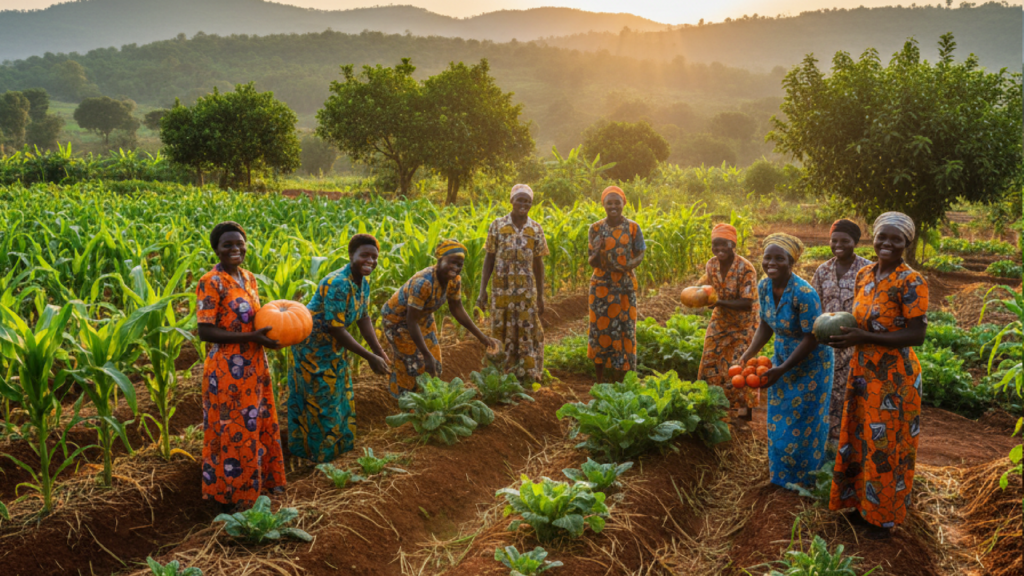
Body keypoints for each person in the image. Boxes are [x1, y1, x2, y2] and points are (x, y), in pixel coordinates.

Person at [828, 212, 929, 541]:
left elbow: (916, 335)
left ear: (906, 243)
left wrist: (864, 339)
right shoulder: (864, 274)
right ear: (873, 239)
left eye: (895, 239)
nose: (887, 243)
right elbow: (860, 320)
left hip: (893, 377)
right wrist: (844, 333)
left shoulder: (911, 281)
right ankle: (861, 506)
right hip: (862, 372)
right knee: (861, 440)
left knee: (885, 445)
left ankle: (884, 518)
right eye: (881, 237)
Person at [196, 221, 285, 511]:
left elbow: (255, 318)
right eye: (228, 245)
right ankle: (236, 497)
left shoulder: (248, 278)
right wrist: (251, 337)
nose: (235, 249)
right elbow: (206, 331)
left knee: (257, 424)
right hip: (228, 371)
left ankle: (257, 487)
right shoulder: (211, 281)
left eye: (239, 244)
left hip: (255, 365)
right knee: (235, 431)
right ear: (217, 249)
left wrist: (276, 333)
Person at [286, 234, 392, 463]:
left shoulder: (363, 282)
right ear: (351, 255)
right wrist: (369, 357)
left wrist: (379, 352)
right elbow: (337, 328)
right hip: (312, 349)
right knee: (321, 399)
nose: (370, 261)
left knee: (338, 394)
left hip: (333, 347)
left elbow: (363, 318)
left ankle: (338, 448)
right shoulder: (338, 283)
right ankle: (316, 454)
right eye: (364, 255)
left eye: (374, 257)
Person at [740, 233, 834, 490]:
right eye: (767, 257)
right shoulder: (764, 286)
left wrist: (782, 368)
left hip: (811, 363)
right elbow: (766, 325)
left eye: (779, 258)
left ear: (791, 262)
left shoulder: (804, 293)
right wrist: (750, 352)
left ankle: (806, 481)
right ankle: (780, 477)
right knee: (779, 418)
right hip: (782, 358)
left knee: (805, 422)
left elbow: (812, 337)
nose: (771, 263)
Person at [380, 239, 500, 396]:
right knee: (412, 364)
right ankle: (403, 401)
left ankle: (426, 399)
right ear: (440, 260)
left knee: (434, 362)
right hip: (397, 320)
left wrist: (482, 337)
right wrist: (425, 354)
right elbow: (410, 320)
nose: (456, 268)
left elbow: (457, 309)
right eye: (452, 262)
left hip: (422, 316)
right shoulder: (423, 282)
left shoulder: (454, 280)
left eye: (459, 265)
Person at [476, 184, 550, 383]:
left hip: (526, 291)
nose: (523, 204)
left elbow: (538, 264)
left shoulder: (535, 229)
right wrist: (482, 291)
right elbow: (488, 259)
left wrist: (541, 295)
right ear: (511, 201)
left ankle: (526, 374)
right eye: (520, 199)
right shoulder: (497, 225)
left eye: (528, 201)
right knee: (501, 328)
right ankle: (501, 375)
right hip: (501, 291)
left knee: (527, 329)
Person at [811, 219, 873, 448]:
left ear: (854, 242)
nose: (838, 245)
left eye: (844, 241)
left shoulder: (866, 270)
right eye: (834, 240)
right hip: (826, 347)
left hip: (855, 346)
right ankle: (827, 449)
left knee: (853, 397)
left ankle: (852, 448)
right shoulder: (823, 270)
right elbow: (815, 306)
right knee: (827, 396)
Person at [696, 223, 760, 420]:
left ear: (733, 245)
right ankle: (711, 401)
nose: (720, 249)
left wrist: (717, 301)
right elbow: (709, 284)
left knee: (742, 364)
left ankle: (745, 409)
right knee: (710, 358)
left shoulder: (746, 268)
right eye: (716, 244)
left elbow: (747, 303)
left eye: (724, 244)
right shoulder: (711, 264)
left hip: (745, 323)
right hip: (721, 319)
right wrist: (698, 294)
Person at [587, 186, 646, 383]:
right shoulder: (595, 228)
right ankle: (601, 378)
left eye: (617, 202)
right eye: (609, 203)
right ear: (603, 204)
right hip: (601, 286)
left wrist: (628, 265)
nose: (613, 206)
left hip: (624, 286)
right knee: (600, 329)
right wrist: (596, 252)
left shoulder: (633, 228)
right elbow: (591, 261)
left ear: (623, 204)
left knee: (625, 328)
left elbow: (640, 253)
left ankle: (623, 376)